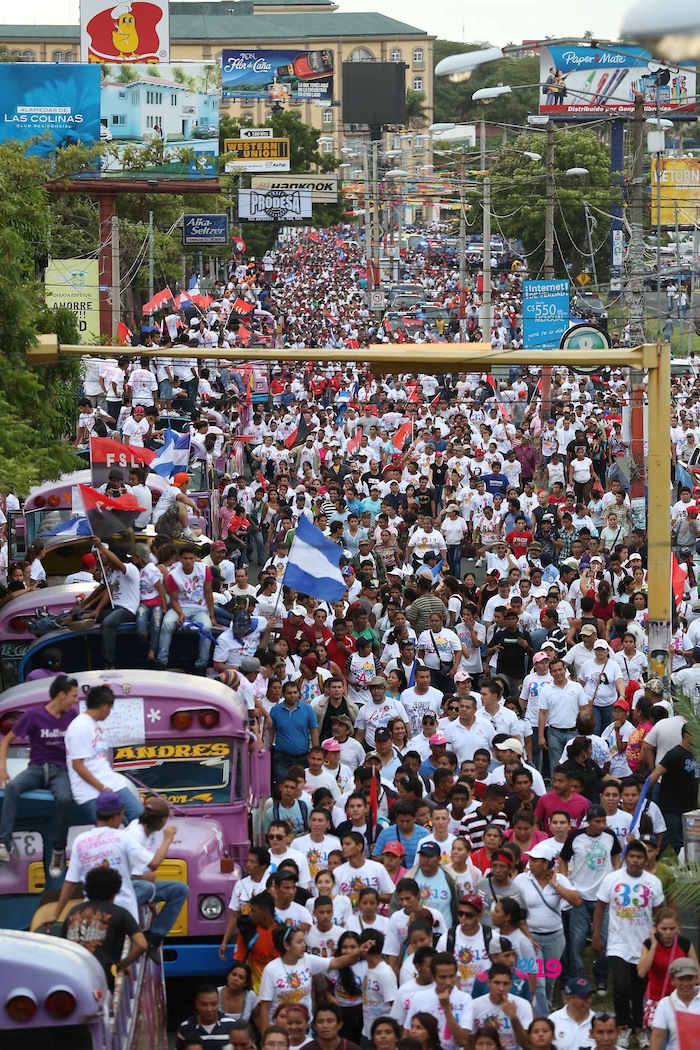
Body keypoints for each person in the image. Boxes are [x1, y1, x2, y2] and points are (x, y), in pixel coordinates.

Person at [0, 674, 78, 875]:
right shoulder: (33, 715)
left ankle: (58, 849)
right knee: (13, 788)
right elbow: (6, 741)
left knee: (64, 798)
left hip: (60, 770)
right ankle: (3, 844)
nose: (76, 700)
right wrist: (2, 769)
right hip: (36, 768)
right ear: (61, 695)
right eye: (73, 695)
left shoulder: (73, 717)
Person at [592, 840, 665, 1048]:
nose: (635, 861)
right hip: (618, 943)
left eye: (639, 857)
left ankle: (639, 1027)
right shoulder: (612, 879)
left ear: (646, 859)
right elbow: (599, 907)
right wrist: (597, 936)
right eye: (631, 856)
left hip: (643, 944)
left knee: (640, 990)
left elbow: (660, 911)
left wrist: (659, 938)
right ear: (626, 857)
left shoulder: (653, 882)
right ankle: (623, 1026)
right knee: (622, 987)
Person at [257, 924, 373, 1032]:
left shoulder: (308, 960)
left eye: (304, 941)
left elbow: (336, 962)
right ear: (287, 945)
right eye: (299, 942)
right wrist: (265, 1035)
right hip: (280, 1029)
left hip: (304, 1028)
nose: (304, 945)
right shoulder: (271, 969)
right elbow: (265, 1007)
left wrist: (358, 952)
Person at [64, 683, 143, 823]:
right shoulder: (80, 727)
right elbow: (78, 765)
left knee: (139, 818)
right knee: (110, 832)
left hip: (112, 783)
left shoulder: (93, 724)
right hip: (92, 792)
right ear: (105, 707)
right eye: (110, 709)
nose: (109, 713)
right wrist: (102, 788)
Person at [61, 865, 148, 991]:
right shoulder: (120, 913)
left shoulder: (74, 911)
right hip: (102, 974)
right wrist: (122, 965)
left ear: (88, 888)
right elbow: (142, 945)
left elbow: (62, 944)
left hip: (73, 972)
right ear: (115, 891)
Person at [124, 794, 189, 953]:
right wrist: (168, 840)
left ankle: (153, 936)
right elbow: (153, 864)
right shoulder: (134, 834)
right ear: (161, 821)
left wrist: (153, 906)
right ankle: (121, 921)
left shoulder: (150, 833)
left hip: (139, 885)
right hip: (123, 886)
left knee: (180, 889)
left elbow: (148, 870)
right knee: (146, 887)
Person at [637, 907, 698, 1033]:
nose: (668, 933)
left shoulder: (684, 943)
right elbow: (642, 972)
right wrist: (654, 945)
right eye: (664, 929)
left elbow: (697, 972)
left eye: (672, 928)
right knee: (660, 1040)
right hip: (656, 999)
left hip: (680, 999)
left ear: (678, 928)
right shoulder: (648, 944)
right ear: (656, 928)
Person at [156, 545, 217, 671]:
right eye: (185, 558)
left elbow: (208, 592)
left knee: (207, 627)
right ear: (180, 559)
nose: (188, 561)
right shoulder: (173, 575)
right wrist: (180, 614)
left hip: (199, 607)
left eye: (191, 558)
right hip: (181, 606)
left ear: (195, 558)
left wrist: (212, 616)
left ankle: (201, 664)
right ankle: (162, 660)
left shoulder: (204, 569)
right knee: (166, 624)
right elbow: (174, 599)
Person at [403, 952, 474, 1050]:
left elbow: (462, 1041)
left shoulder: (465, 999)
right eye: (442, 977)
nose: (448, 982)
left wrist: (446, 1009)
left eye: (451, 976)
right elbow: (407, 1033)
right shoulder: (419, 998)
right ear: (433, 977)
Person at [647, 722, 700, 853]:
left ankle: (685, 868)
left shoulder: (695, 754)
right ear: (687, 736)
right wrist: (642, 794)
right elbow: (656, 773)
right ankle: (652, 860)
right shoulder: (675, 754)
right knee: (666, 840)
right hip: (672, 808)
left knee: (687, 843)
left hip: (690, 808)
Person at [471, 963, 534, 1050]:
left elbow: (527, 1045)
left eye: (505, 984)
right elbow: (470, 1042)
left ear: (511, 985)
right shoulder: (474, 1005)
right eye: (497, 983)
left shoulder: (522, 1005)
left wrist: (513, 1018)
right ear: (488, 982)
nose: (501, 988)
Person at [270, 681, 320, 783]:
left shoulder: (307, 709)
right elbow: (271, 732)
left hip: (302, 757)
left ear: (298, 693)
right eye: (289, 693)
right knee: (283, 786)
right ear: (283, 695)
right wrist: (267, 749)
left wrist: (316, 752)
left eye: (295, 692)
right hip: (281, 757)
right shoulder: (275, 710)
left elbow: (314, 731)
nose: (293, 696)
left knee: (301, 786)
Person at [648, 956, 700, 1050]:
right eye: (681, 979)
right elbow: (657, 1036)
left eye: (689, 978)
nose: (685, 983)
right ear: (672, 980)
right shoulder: (665, 1004)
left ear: (696, 978)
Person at [176, 983, 240, 1050]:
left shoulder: (232, 1026)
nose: (209, 1009)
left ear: (219, 1002)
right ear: (197, 1004)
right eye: (204, 1004)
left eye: (213, 1004)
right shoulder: (186, 1028)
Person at [548, 977, 595, 1050]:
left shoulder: (598, 1021)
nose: (588, 1001)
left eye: (590, 996)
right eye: (583, 997)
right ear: (569, 999)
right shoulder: (553, 1020)